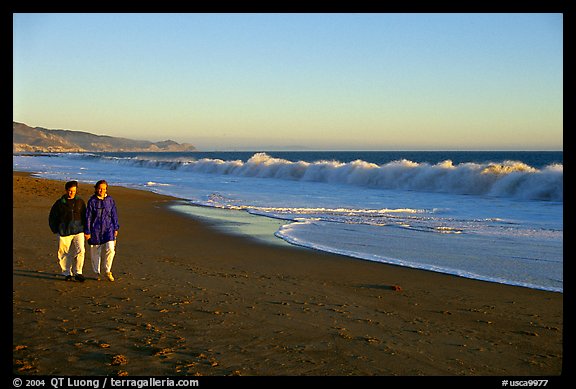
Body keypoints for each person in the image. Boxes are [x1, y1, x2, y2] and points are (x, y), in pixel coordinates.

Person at [48, 180, 87, 282]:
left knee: (81, 251)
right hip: (64, 231)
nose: (72, 193)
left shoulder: (80, 201)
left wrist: (87, 230)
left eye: (74, 191)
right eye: (70, 191)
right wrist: (55, 230)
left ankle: (78, 272)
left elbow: (85, 216)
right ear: (66, 190)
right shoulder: (60, 203)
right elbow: (52, 217)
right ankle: (66, 273)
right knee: (64, 252)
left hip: (79, 230)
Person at [84, 180, 120, 281]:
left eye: (103, 189)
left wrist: (116, 227)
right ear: (96, 188)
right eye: (100, 188)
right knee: (95, 252)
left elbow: (114, 214)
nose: (101, 190)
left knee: (111, 249)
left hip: (109, 229)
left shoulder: (110, 200)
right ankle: (97, 272)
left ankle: (107, 270)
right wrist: (87, 231)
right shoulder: (92, 201)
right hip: (95, 229)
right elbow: (88, 217)